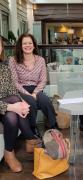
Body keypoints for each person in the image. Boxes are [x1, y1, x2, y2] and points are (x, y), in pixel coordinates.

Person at [0, 37, 41, 173]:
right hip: (3, 106)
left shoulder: (3, 67)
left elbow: (12, 90)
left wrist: (21, 102)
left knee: (13, 113)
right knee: (12, 112)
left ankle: (9, 153)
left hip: (6, 104)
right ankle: (30, 138)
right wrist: (13, 106)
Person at [9, 33, 57, 134]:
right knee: (30, 101)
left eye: (30, 43)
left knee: (45, 101)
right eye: (24, 43)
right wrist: (28, 94)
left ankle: (54, 127)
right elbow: (14, 82)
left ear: (34, 45)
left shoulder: (40, 60)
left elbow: (43, 80)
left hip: (36, 89)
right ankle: (32, 129)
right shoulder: (13, 60)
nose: (28, 45)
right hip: (20, 90)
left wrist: (35, 93)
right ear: (20, 46)